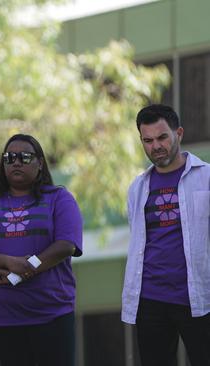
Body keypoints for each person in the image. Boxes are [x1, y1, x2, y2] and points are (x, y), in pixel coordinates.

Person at [0, 134, 83, 366]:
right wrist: (9, 262)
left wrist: (24, 270)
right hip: (2, 315)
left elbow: (66, 245)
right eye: (9, 157)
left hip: (52, 312)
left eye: (25, 157)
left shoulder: (59, 198)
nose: (16, 162)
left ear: (40, 164)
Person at [122, 104, 210, 366]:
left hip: (199, 296)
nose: (155, 146)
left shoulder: (206, 177)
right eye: (147, 140)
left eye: (162, 137)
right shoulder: (137, 188)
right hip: (150, 299)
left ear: (178, 133)